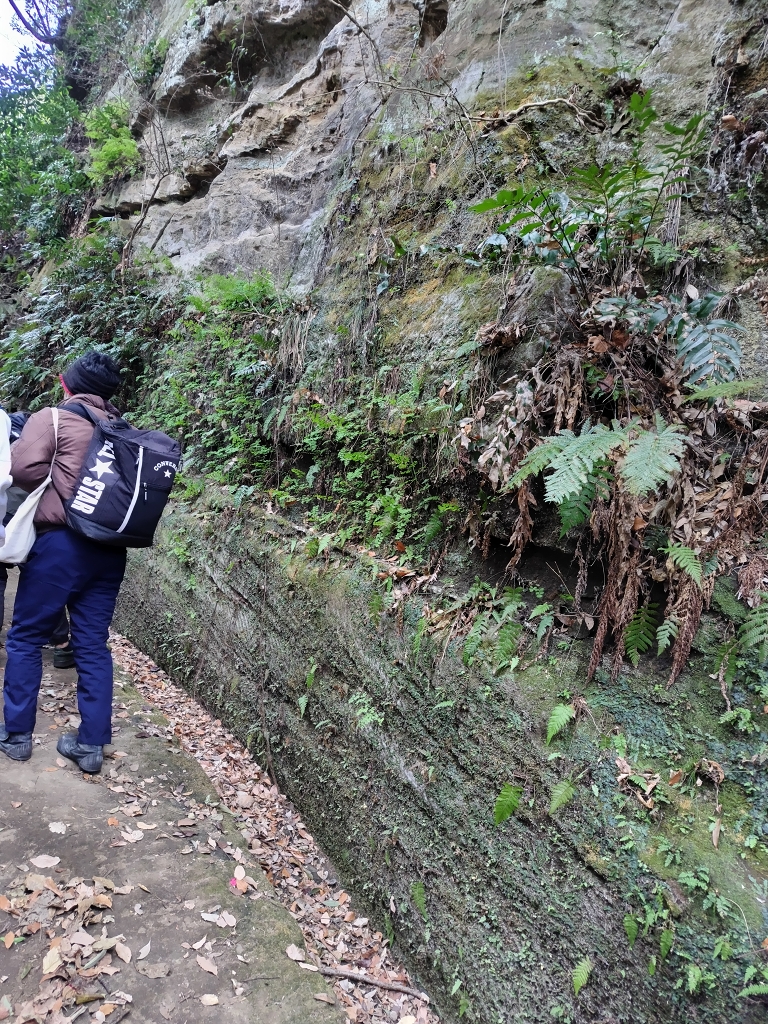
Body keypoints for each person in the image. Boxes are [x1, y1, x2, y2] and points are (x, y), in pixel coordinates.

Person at [0, 351, 125, 773]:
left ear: (65, 383)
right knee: (91, 645)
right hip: (110, 551)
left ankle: (16, 736)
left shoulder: (53, 418)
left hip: (62, 546)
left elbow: (21, 470)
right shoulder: (123, 430)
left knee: (25, 637)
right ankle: (90, 746)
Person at [0, 410, 74, 668]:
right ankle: (63, 645)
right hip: (26, 516)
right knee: (39, 579)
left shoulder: (8, 435)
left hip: (7, 511)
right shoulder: (43, 442)